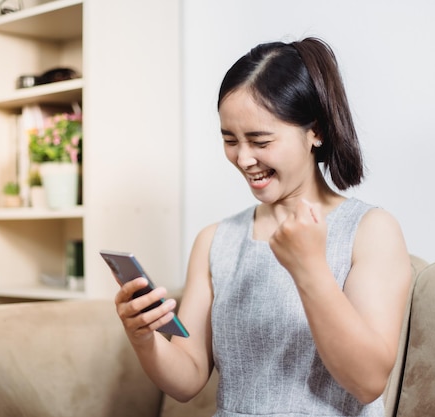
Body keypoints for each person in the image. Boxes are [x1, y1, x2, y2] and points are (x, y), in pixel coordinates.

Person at [114, 37, 412, 417]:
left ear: (315, 131)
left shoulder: (371, 230)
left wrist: (309, 268)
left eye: (260, 140)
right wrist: (143, 338)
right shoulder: (215, 241)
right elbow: (188, 379)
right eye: (229, 140)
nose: (243, 158)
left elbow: (368, 381)